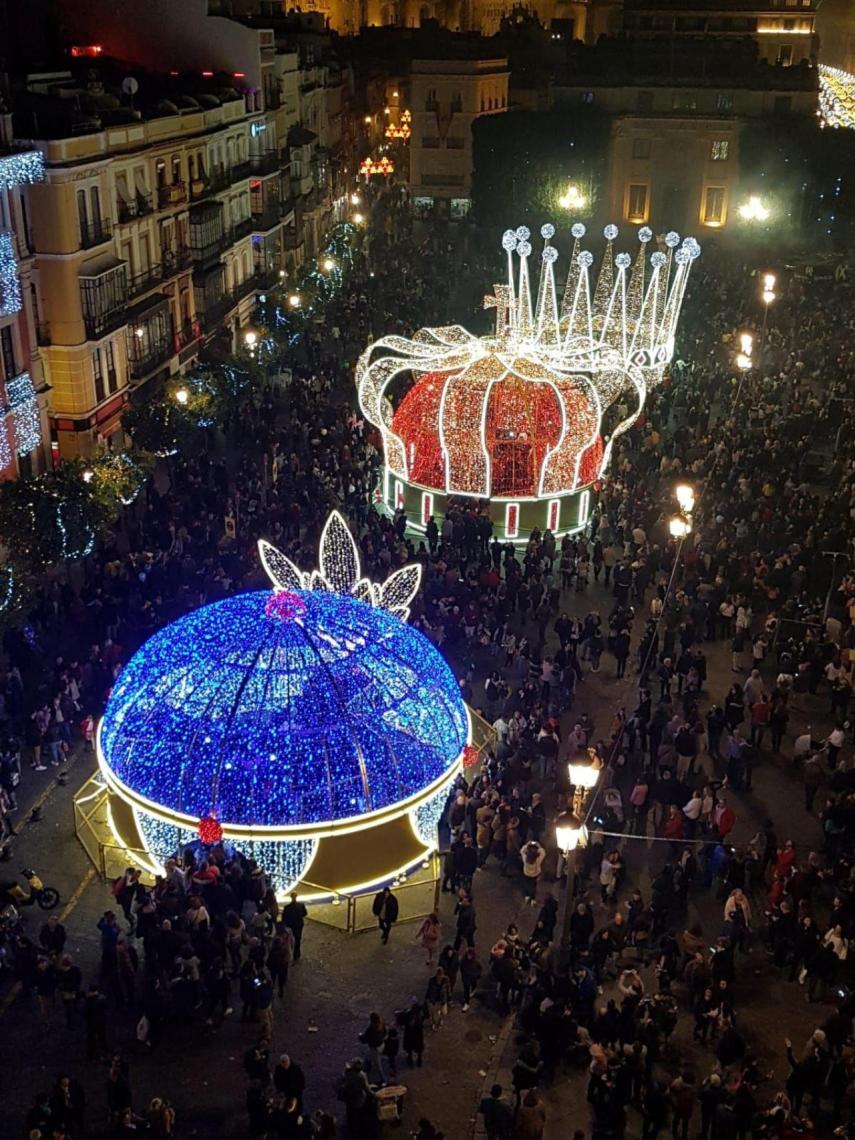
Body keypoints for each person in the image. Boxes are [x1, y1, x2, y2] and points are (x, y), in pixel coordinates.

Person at [281, 892, 307, 962]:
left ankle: (289, 954)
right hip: (298, 925)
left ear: (291, 897)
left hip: (290, 926)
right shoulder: (301, 905)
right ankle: (297, 955)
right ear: (296, 897)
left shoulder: (287, 907)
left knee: (289, 940)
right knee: (298, 939)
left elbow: (283, 918)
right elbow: (305, 914)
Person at [522, 840, 546, 905]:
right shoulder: (537, 860)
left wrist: (527, 845)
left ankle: (527, 896)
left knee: (526, 884)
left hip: (526, 873)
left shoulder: (525, 859)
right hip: (535, 874)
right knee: (534, 886)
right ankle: (533, 899)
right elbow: (543, 852)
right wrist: (538, 846)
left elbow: (522, 850)